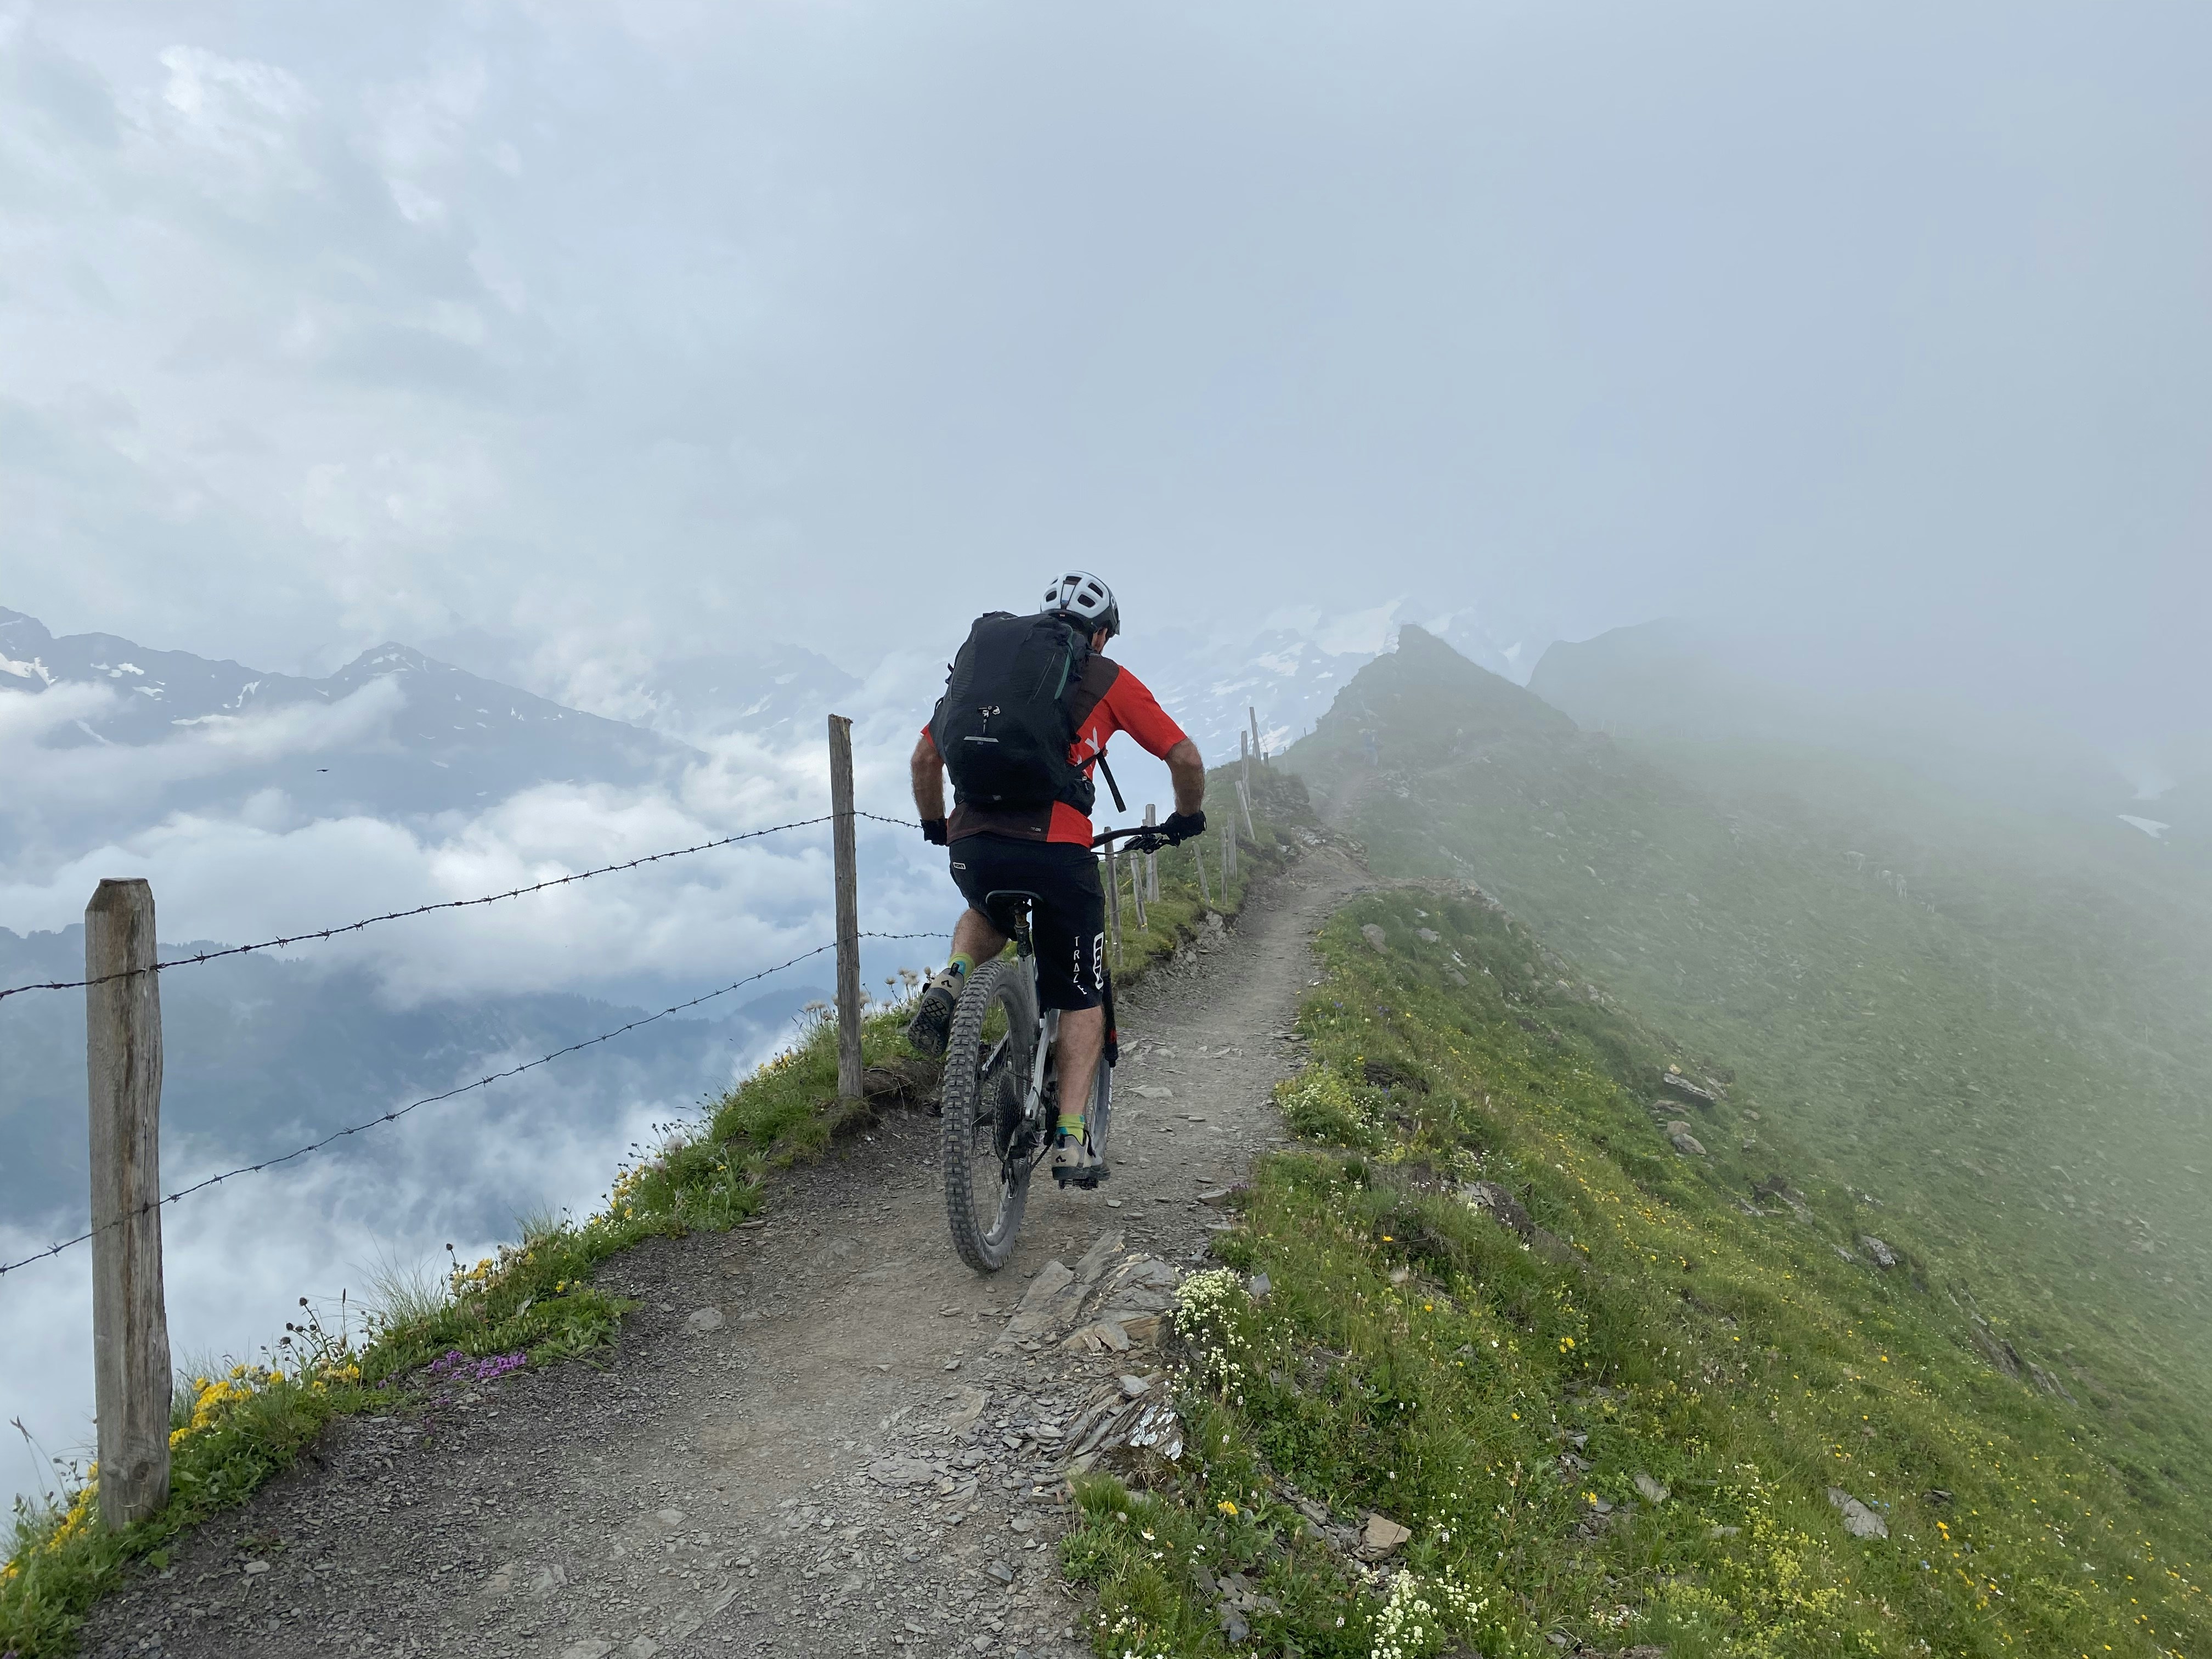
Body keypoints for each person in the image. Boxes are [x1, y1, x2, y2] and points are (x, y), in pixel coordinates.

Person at [906, 571, 1206, 1177]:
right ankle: (1071, 1136)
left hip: (973, 843)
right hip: (1057, 850)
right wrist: (1186, 818)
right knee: (1082, 991)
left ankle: (955, 975)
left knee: (986, 911)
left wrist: (938, 825)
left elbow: (924, 758)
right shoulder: (1105, 678)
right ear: (1099, 635)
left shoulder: (985, 674)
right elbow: (1185, 756)